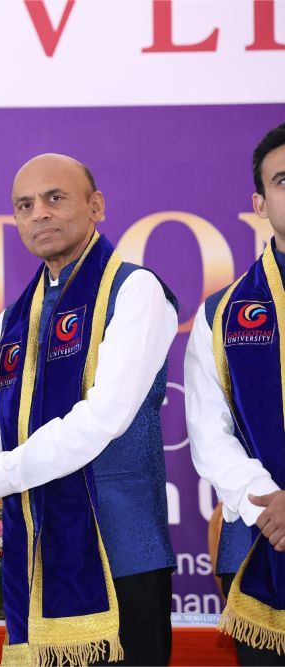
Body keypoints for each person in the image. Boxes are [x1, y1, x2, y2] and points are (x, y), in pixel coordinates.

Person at [0, 154, 178, 665]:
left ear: (96, 205)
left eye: (54, 198)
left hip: (122, 555)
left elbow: (101, 420)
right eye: (24, 205)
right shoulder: (8, 324)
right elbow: (4, 442)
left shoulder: (135, 290)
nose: (39, 212)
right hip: (37, 559)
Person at [186, 121, 285, 664]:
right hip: (261, 535)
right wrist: (271, 504)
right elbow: (209, 434)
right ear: (260, 203)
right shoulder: (221, 314)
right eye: (283, 180)